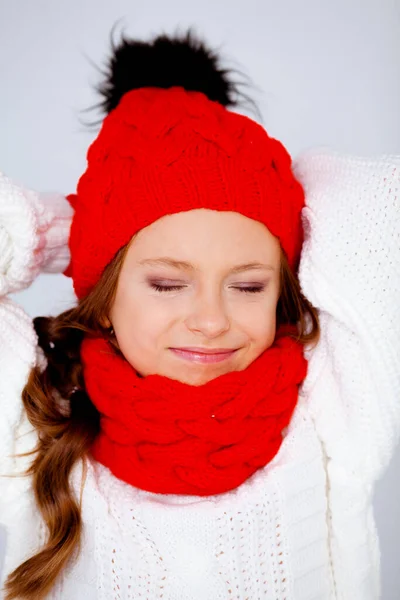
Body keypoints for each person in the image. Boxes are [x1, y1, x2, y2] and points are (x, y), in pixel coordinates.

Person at [0, 28, 399, 600]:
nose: (211, 320)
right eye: (167, 283)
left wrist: (279, 201)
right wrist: (70, 234)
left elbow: (384, 208)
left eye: (248, 285)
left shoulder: (331, 407)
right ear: (105, 298)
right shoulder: (36, 422)